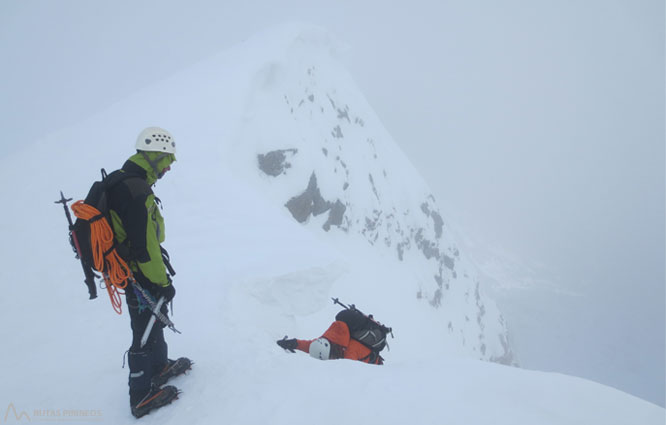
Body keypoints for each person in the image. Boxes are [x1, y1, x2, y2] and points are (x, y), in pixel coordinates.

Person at [106, 127, 192, 418]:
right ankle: (140, 396)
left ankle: (159, 367)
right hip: (137, 273)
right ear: (153, 156)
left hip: (130, 269)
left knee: (152, 319)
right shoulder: (136, 190)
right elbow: (145, 248)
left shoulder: (125, 181)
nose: (169, 167)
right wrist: (162, 282)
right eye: (166, 160)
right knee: (143, 330)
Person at [276, 309, 384, 365]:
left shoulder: (349, 352)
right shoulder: (329, 339)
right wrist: (293, 343)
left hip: (374, 366)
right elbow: (310, 346)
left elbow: (350, 376)